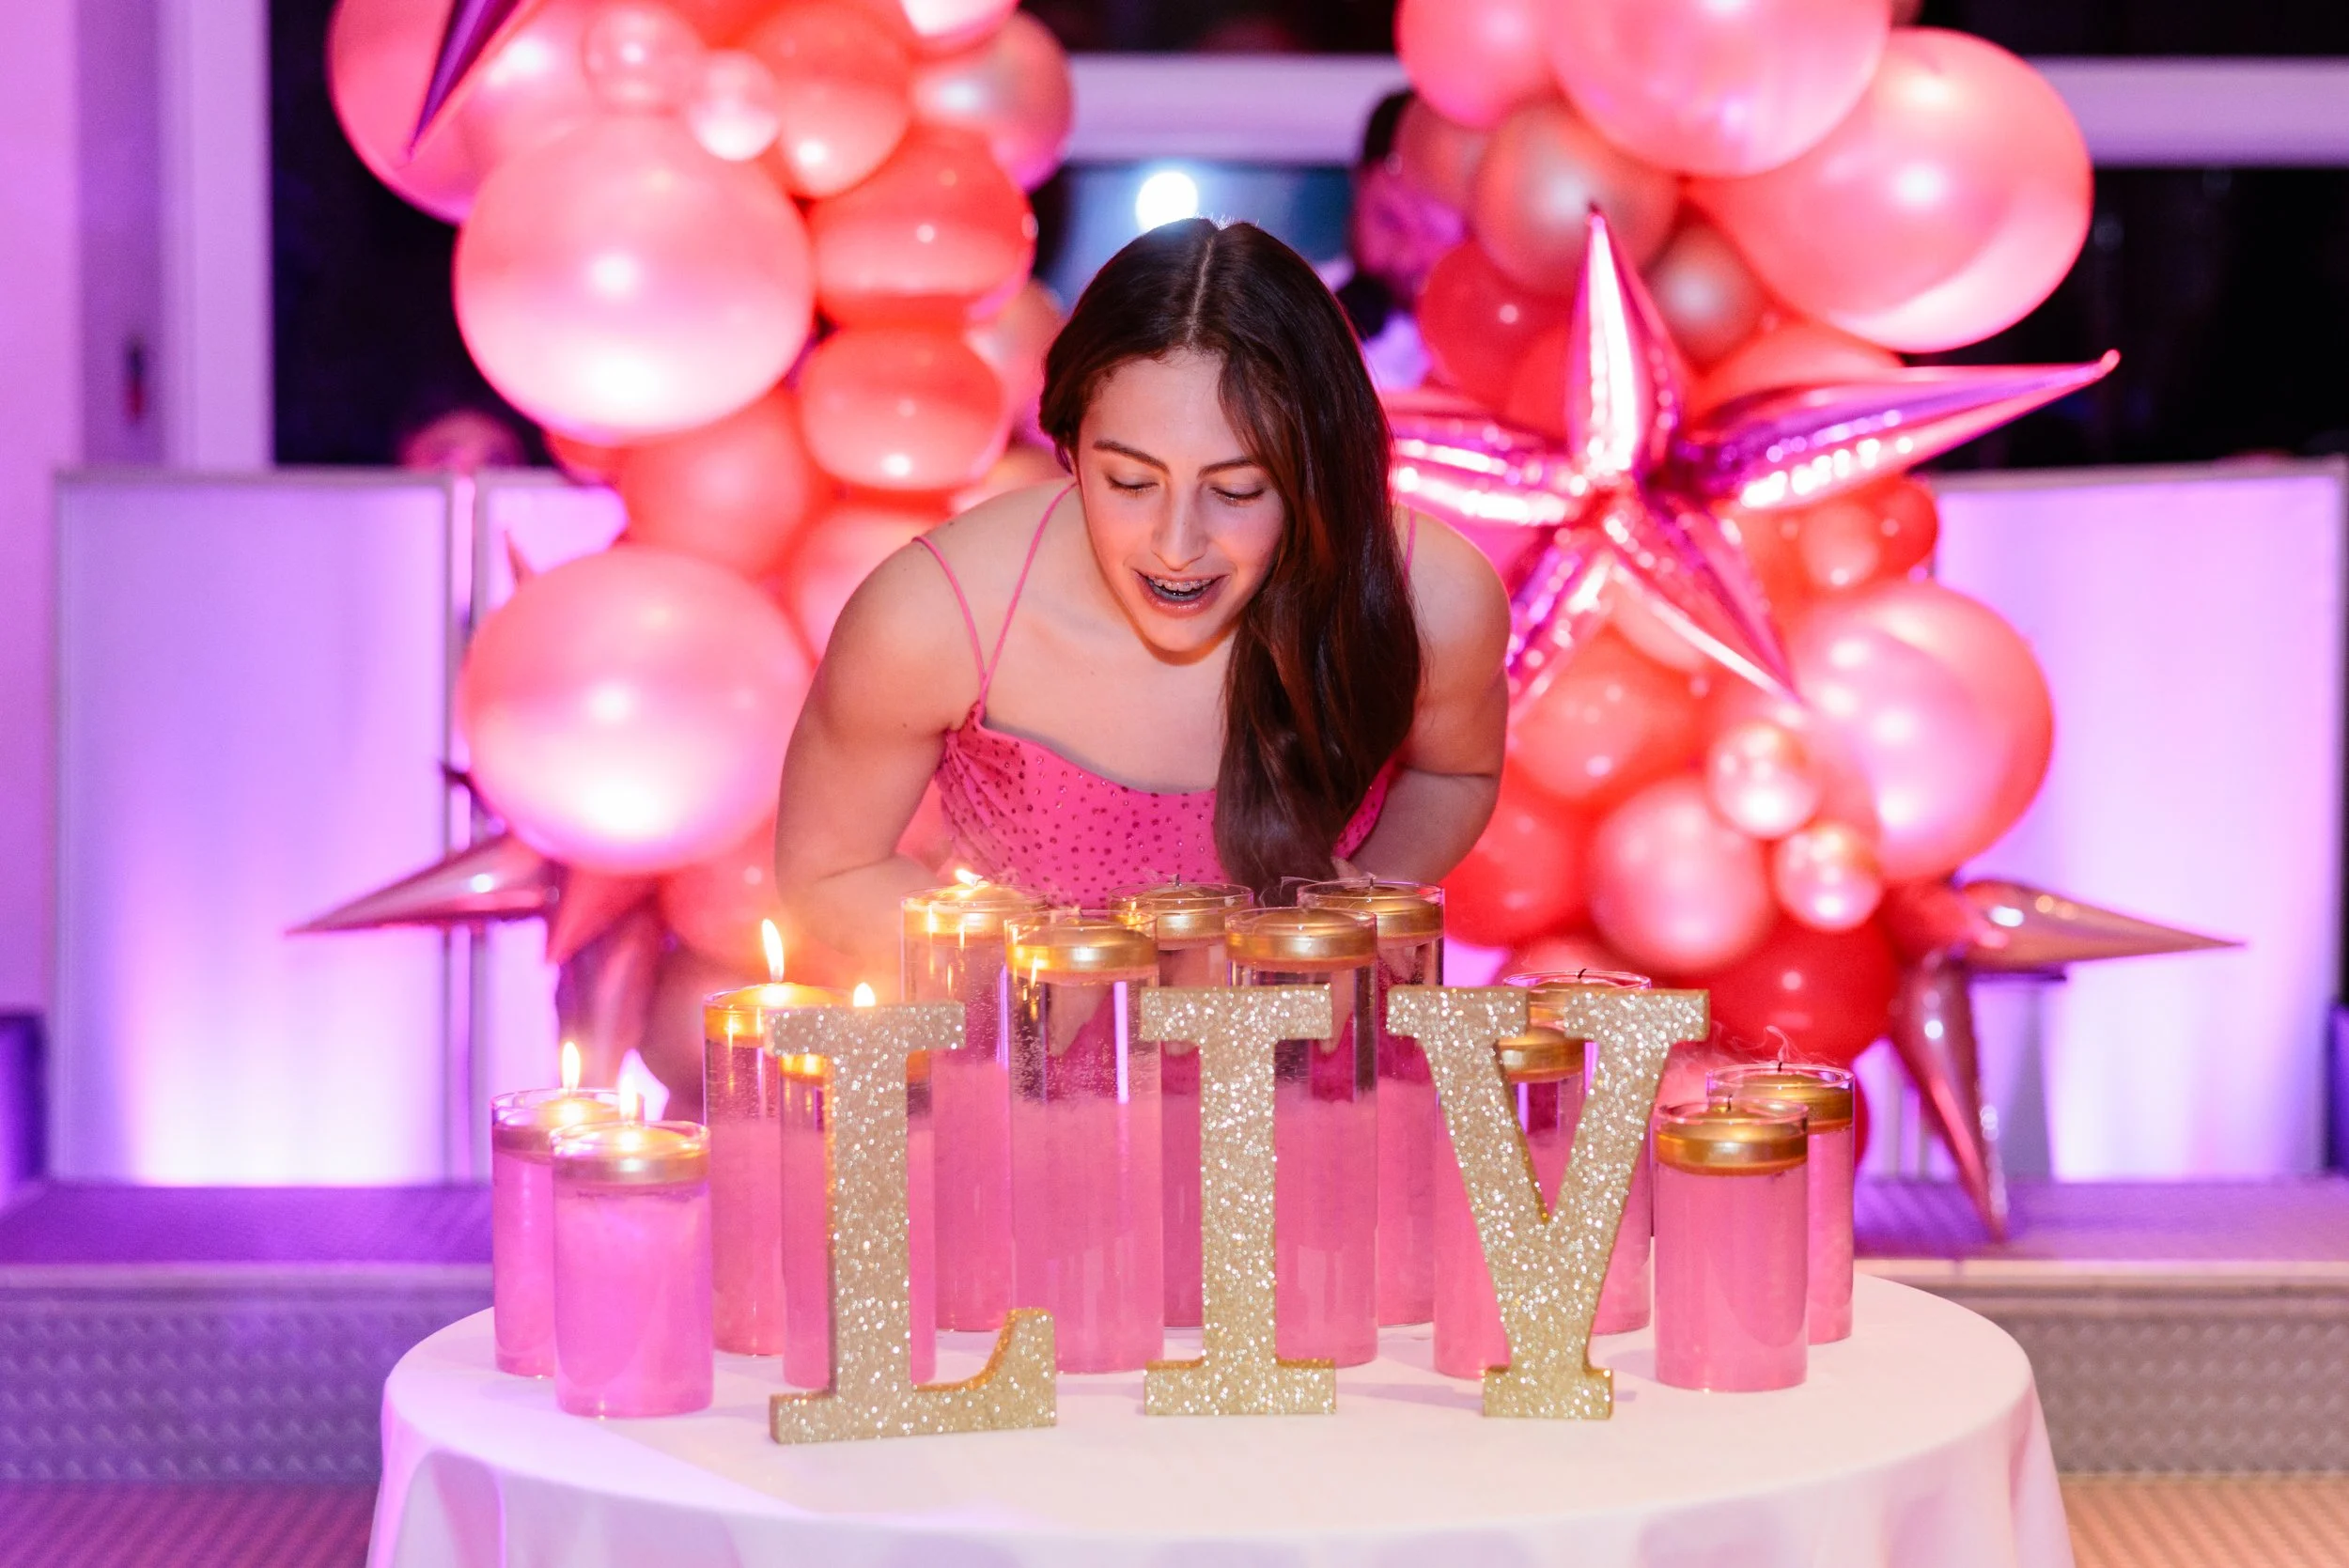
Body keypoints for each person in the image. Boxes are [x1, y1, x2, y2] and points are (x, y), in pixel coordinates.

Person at [773, 218, 1508, 975]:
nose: (1176, 543)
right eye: (1129, 482)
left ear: (1318, 473)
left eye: (1237, 490)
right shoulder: (932, 614)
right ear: (1068, 445)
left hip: (1322, 1057)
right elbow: (831, 870)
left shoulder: (1431, 595)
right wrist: (1049, 974)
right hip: (1038, 1060)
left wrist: (1354, 910)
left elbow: (1455, 772)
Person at [1325, 90, 1464, 391]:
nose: (1407, 257)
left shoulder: (1497, 350)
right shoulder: (1295, 308)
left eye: (1433, 228)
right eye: (1388, 220)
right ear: (1359, 188)